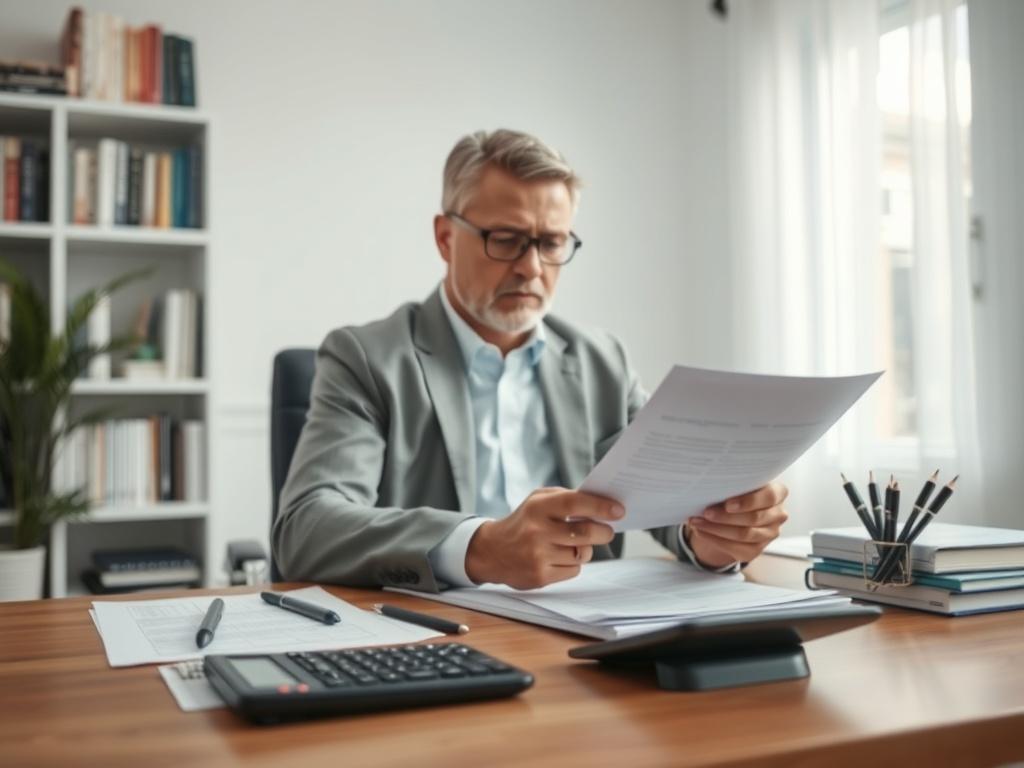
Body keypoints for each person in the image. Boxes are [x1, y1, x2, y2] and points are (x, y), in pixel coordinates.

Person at [272, 129, 788, 592]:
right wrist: (480, 547)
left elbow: (667, 504)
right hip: (431, 635)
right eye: (507, 240)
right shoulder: (367, 358)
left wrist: (712, 541)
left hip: (579, 642)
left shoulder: (600, 361)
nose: (531, 268)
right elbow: (306, 529)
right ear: (446, 238)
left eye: (551, 242)